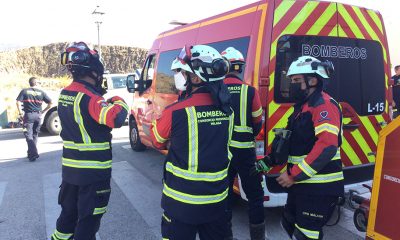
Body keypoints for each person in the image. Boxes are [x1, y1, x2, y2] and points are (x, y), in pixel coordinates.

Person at [255, 56, 343, 240]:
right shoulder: (301, 108)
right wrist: (261, 166)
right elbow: (285, 144)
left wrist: (293, 175)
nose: (291, 84)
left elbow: (327, 146)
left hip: (319, 188)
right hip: (301, 186)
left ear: (312, 81)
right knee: (288, 222)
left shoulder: (324, 105)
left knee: (305, 235)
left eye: (296, 81)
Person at [150, 45, 234, 240]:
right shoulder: (228, 111)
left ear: (196, 78)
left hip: (181, 203)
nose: (178, 76)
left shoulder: (176, 110)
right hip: (217, 200)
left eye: (182, 71)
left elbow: (157, 140)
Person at [51, 42, 128, 240]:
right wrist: (119, 100)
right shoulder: (91, 98)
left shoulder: (65, 94)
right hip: (93, 174)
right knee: (88, 220)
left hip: (70, 171)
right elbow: (115, 118)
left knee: (68, 216)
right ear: (93, 71)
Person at [220, 47, 265, 240]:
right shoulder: (250, 91)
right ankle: (257, 237)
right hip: (246, 154)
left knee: (224, 196)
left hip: (223, 154)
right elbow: (257, 122)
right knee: (255, 197)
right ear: (239, 67)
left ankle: (225, 234)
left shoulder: (216, 90)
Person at [16, 77, 52, 161]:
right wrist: (43, 112)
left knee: (28, 135)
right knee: (35, 135)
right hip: (38, 116)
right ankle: (31, 153)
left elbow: (17, 102)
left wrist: (20, 113)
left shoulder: (24, 91)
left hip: (28, 115)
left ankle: (33, 153)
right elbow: (51, 103)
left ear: (30, 83)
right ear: (36, 83)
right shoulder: (41, 92)